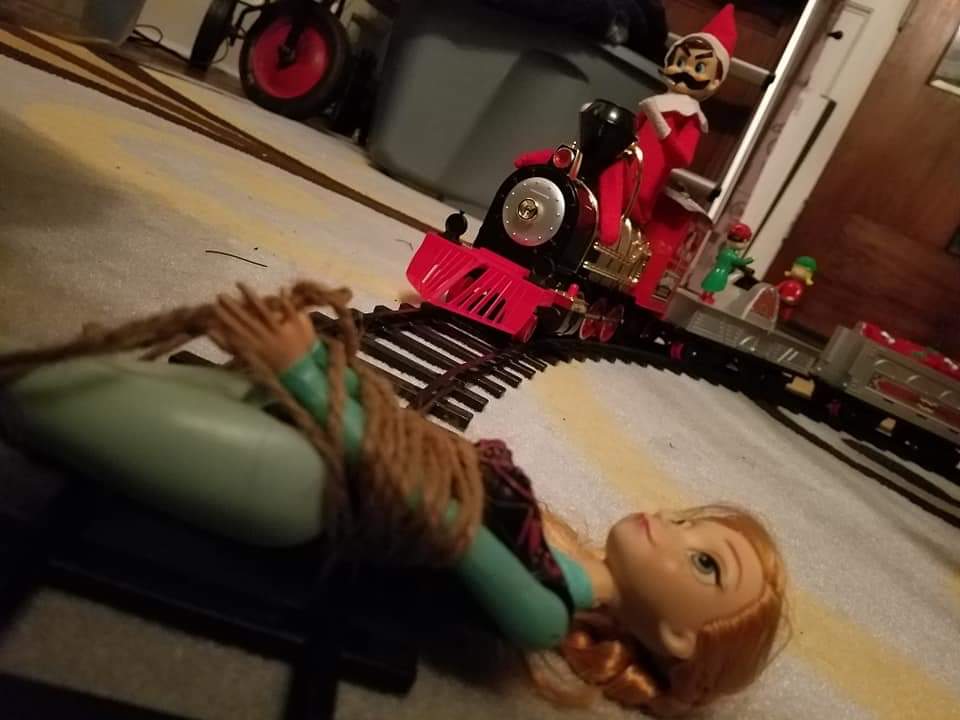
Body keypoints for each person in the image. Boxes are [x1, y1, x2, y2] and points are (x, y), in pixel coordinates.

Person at [1, 282, 787, 716]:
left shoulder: (545, 611)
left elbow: (426, 509)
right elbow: (415, 449)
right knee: (131, 383)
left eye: (706, 564)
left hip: (310, 498)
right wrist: (326, 379)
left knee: (49, 400)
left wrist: (310, 377)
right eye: (694, 522)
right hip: (336, 455)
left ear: (678, 638)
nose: (673, 525)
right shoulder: (555, 546)